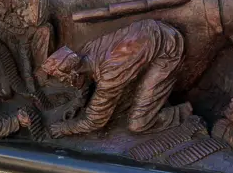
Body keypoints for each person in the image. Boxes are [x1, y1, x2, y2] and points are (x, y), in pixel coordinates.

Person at [37, 19, 190, 137]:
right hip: (148, 34)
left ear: (74, 72)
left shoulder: (110, 75)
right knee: (122, 103)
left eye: (64, 79)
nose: (65, 82)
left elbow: (95, 121)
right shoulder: (85, 53)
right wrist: (78, 102)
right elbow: (86, 79)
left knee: (138, 123)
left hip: (167, 48)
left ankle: (185, 113)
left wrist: (65, 128)